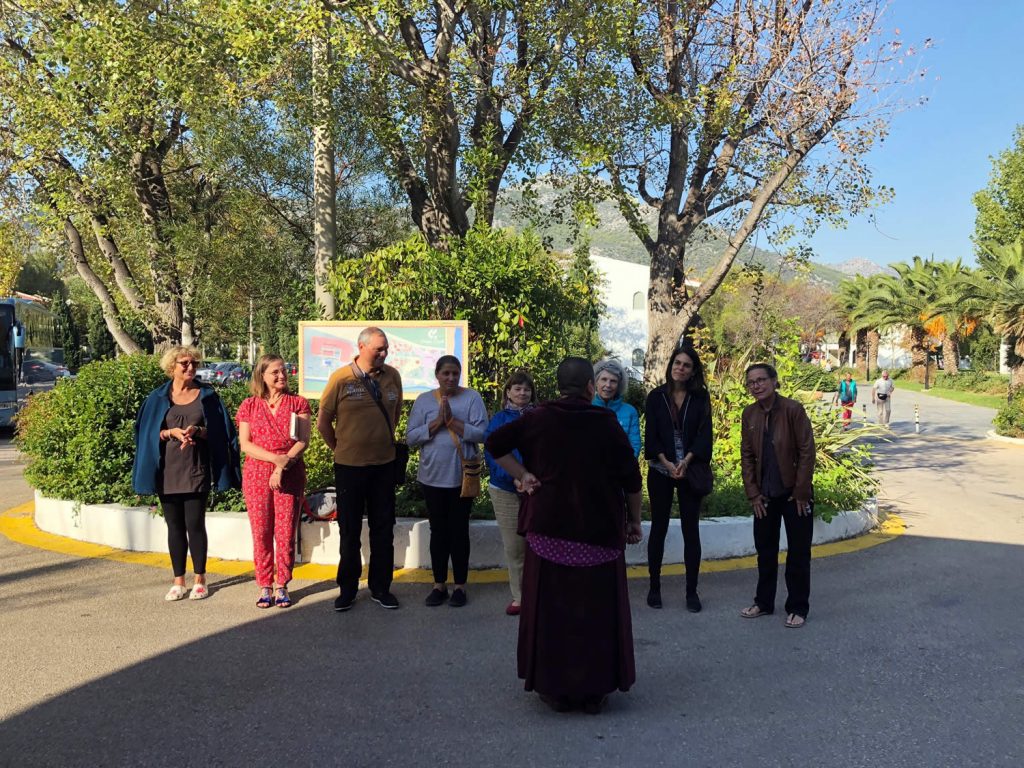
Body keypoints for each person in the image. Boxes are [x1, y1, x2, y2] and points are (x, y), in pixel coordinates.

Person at [485, 357, 642, 714]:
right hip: (598, 532)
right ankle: (593, 691)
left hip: (549, 531)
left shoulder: (537, 418)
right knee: (595, 613)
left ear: (558, 386)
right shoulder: (605, 422)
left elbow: (495, 443)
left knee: (552, 612)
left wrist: (523, 475)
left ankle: (554, 689)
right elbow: (631, 478)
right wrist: (633, 521)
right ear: (590, 386)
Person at [132, 346, 240, 602]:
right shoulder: (157, 398)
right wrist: (171, 433)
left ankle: (200, 579)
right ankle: (178, 580)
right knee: (174, 527)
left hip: (196, 469)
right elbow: (147, 434)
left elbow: (222, 432)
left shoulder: (207, 396)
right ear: (172, 367)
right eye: (184, 363)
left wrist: (197, 431)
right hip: (167, 471)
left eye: (193, 363)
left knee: (195, 525)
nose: (190, 367)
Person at [317, 327, 403, 612]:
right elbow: (323, 422)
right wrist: (341, 449)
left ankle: (381, 588)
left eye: (386, 348)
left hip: (384, 466)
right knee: (349, 530)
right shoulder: (341, 378)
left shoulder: (393, 376)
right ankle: (348, 589)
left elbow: (396, 413)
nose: (383, 353)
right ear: (361, 347)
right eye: (378, 348)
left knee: (383, 529)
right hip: (349, 468)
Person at [739, 363, 816, 629]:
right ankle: (763, 602)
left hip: (796, 495)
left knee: (798, 553)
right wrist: (753, 494)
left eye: (761, 380)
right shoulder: (749, 414)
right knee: (765, 551)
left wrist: (802, 491)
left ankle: (797, 607)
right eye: (751, 382)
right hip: (765, 496)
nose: (756, 386)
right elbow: (747, 457)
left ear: (774, 381)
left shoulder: (793, 410)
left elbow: (807, 451)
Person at [407, 355, 488, 608]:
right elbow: (411, 437)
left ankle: (460, 587)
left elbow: (483, 433)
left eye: (455, 373)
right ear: (437, 375)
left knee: (459, 532)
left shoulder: (472, 398)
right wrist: (436, 424)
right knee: (438, 532)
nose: (451, 378)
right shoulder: (423, 401)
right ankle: (439, 584)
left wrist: (453, 422)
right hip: (432, 478)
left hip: (461, 478)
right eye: (446, 374)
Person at [237, 355, 311, 609]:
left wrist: (283, 465)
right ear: (262, 376)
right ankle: (265, 584)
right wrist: (274, 460)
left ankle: (282, 584)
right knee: (261, 530)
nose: (281, 376)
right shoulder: (249, 405)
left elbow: (302, 440)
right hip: (257, 473)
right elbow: (245, 443)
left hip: (290, 472)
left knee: (285, 530)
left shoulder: (298, 403)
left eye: (284, 371)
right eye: (275, 373)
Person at [643, 345, 713, 612]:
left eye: (686, 365)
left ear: (693, 370)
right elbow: (652, 436)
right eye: (677, 363)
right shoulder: (656, 396)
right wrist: (667, 462)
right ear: (671, 365)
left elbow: (705, 435)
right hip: (661, 470)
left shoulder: (700, 398)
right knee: (658, 528)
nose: (680, 368)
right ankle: (654, 587)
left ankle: (691, 591)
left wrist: (685, 461)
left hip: (689, 470)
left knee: (690, 530)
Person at [484, 370, 536, 616]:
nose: (522, 393)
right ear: (508, 392)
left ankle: (539, 593)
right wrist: (515, 477)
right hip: (505, 490)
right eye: (517, 389)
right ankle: (520, 597)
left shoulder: (540, 418)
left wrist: (531, 478)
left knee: (537, 544)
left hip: (535, 489)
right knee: (514, 547)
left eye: (526, 389)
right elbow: (493, 455)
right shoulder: (499, 420)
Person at [591, 359, 641, 457]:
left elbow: (634, 447)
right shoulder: (586, 407)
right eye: (604, 379)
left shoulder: (630, 411)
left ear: (619, 385)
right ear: (596, 382)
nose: (608, 385)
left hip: (620, 470)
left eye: (613, 381)